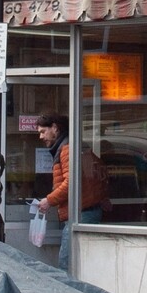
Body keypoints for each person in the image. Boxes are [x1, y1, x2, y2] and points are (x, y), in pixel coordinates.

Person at [36, 113, 106, 267]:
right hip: (84, 210)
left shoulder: (67, 149)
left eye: (43, 131)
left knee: (67, 264)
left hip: (80, 213)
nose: (41, 137)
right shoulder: (75, 146)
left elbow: (72, 182)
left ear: (55, 128)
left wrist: (49, 200)